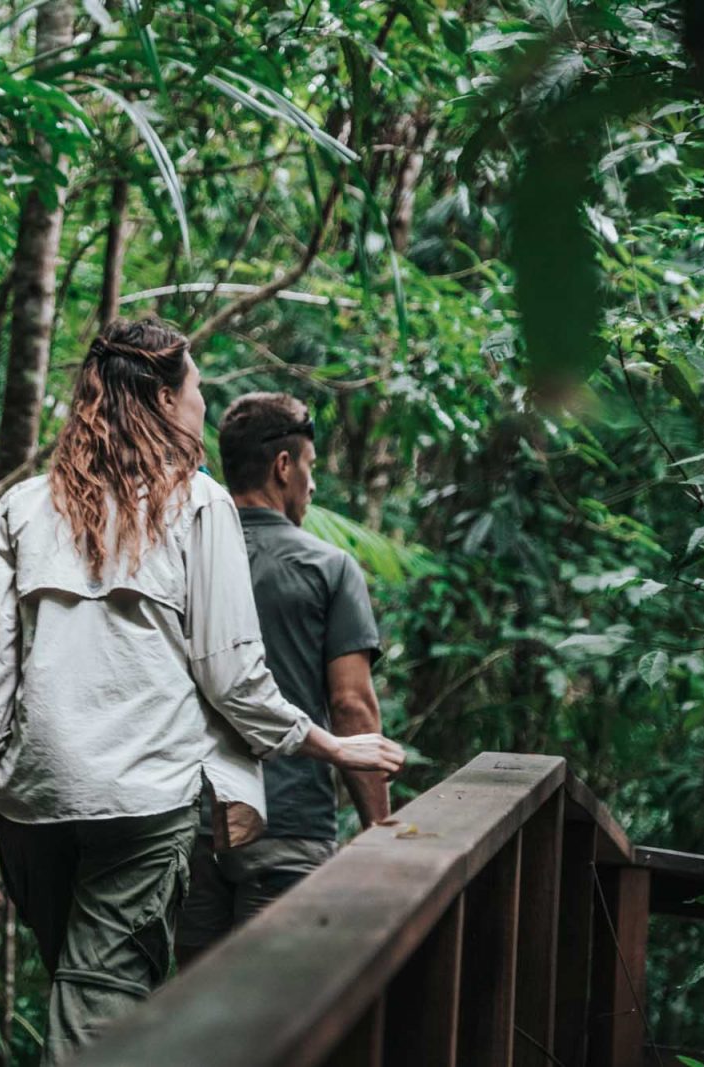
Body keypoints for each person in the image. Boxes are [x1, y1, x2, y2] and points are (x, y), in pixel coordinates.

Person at [0, 319, 405, 1064]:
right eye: (196, 387)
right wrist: (330, 743)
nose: (204, 404)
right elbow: (234, 677)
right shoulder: (197, 503)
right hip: (142, 798)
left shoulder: (23, 506)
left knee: (86, 980)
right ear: (162, 397)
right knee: (102, 997)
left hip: (33, 802)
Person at [175, 392, 391, 963]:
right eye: (312, 468)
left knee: (195, 1015)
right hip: (287, 826)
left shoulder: (181, 557)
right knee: (273, 1016)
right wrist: (380, 828)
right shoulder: (328, 567)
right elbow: (352, 707)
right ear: (284, 466)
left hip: (188, 823)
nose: (313, 487)